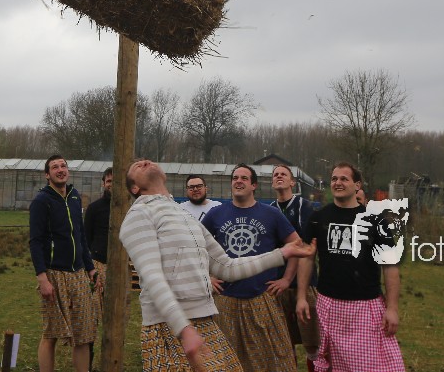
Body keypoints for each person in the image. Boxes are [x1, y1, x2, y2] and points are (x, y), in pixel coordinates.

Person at [119, 158, 316, 372]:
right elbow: (152, 278)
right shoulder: (139, 214)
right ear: (134, 188)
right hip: (168, 327)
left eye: (146, 161)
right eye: (137, 166)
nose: (144, 162)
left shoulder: (182, 215)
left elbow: (226, 267)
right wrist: (184, 330)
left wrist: (283, 253)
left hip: (204, 321)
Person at [298, 162, 405, 372]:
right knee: (331, 365)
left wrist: (392, 308)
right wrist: (301, 297)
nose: (338, 183)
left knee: (375, 367)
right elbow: (306, 258)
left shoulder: (376, 221)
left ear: (357, 185)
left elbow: (390, 267)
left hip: (365, 306)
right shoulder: (318, 219)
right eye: (334, 179)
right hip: (329, 305)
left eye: (344, 179)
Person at [201, 164, 301, 372]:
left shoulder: (271, 214)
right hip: (226, 299)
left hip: (261, 298)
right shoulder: (216, 214)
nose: (238, 181)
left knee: (271, 358)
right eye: (235, 178)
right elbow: (196, 246)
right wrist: (207, 277)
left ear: (254, 185)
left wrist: (286, 279)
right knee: (227, 358)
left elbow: (296, 244)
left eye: (244, 178)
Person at [29, 155, 101, 372]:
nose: (60, 170)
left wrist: (90, 268)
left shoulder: (75, 197)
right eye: (55, 167)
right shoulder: (42, 201)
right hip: (54, 273)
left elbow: (80, 235)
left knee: (83, 333)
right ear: (47, 174)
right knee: (51, 333)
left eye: (63, 166)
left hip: (78, 272)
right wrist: (42, 278)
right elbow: (35, 241)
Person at [270, 163, 320, 367]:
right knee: (283, 341)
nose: (279, 176)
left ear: (292, 182)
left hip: (304, 283)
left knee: (312, 342)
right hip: (277, 285)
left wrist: (290, 278)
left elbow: (305, 246)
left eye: (284, 174)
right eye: (275, 174)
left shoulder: (304, 207)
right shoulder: (269, 210)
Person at [83, 166, 113, 370]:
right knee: (92, 317)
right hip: (97, 265)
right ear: (103, 184)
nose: (112, 185)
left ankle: (111, 360)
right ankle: (88, 363)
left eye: (116, 181)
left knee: (116, 317)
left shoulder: (130, 208)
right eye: (109, 181)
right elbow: (86, 239)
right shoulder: (94, 208)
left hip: (119, 269)